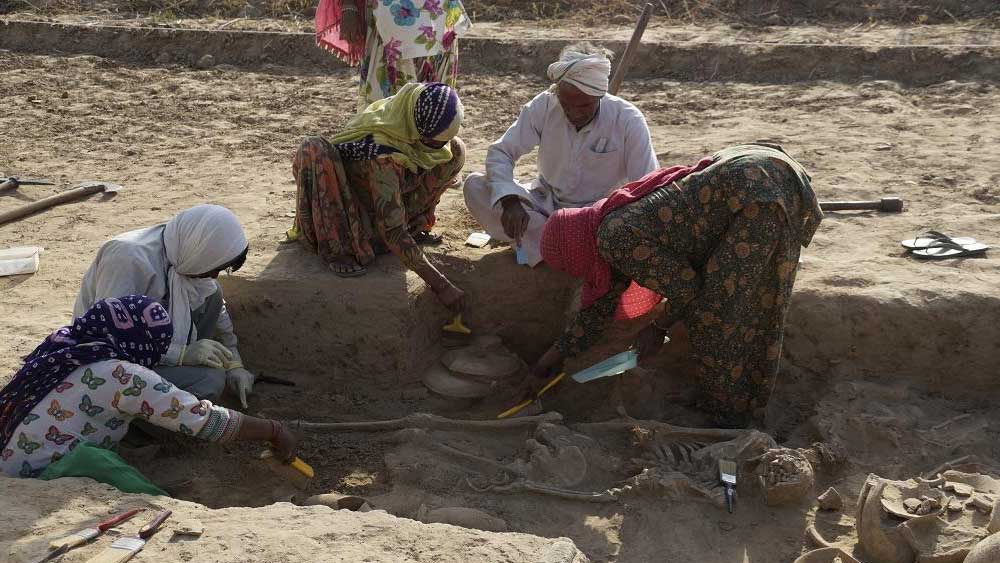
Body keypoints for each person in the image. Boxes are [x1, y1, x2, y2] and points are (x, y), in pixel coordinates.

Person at [530, 144, 823, 428]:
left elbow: (687, 289)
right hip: (756, 170)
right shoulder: (607, 225)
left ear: (577, 250)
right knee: (741, 301)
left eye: (572, 266)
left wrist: (658, 329)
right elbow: (600, 308)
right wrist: (549, 361)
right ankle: (729, 403)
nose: (579, 273)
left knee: (720, 312)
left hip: (756, 194)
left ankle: (733, 418)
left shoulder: (613, 238)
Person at [0, 296, 296, 480]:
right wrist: (273, 430)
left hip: (9, 455)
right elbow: (203, 420)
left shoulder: (67, 344)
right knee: (134, 488)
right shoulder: (124, 376)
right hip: (41, 471)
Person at [463, 43, 659, 266]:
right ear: (558, 94)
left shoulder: (628, 120)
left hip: (597, 216)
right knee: (475, 187)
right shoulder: (545, 104)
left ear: (599, 96)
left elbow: (647, 184)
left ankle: (550, 247)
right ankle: (559, 247)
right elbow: (501, 152)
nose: (574, 113)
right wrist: (510, 201)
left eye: (584, 105)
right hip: (546, 205)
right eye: (567, 105)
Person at [290, 82, 466, 312]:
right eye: (435, 142)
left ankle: (414, 227)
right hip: (352, 214)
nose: (439, 147)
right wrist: (441, 285)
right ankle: (339, 250)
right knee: (313, 147)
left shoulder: (412, 124)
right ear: (418, 133)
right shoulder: (384, 155)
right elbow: (392, 229)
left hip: (391, 200)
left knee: (455, 152)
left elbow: (441, 152)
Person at [75, 204, 255, 407]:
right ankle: (131, 424)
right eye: (213, 268)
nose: (214, 275)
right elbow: (107, 338)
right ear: (199, 250)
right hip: (108, 363)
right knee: (208, 382)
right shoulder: (128, 259)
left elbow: (218, 310)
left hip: (151, 351)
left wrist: (234, 365)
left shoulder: (183, 249)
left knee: (213, 294)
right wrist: (180, 355)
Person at [315, 0, 471, 109]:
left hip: (437, 14)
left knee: (436, 96)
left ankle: (431, 143)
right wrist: (349, 6)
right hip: (388, 19)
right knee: (387, 99)